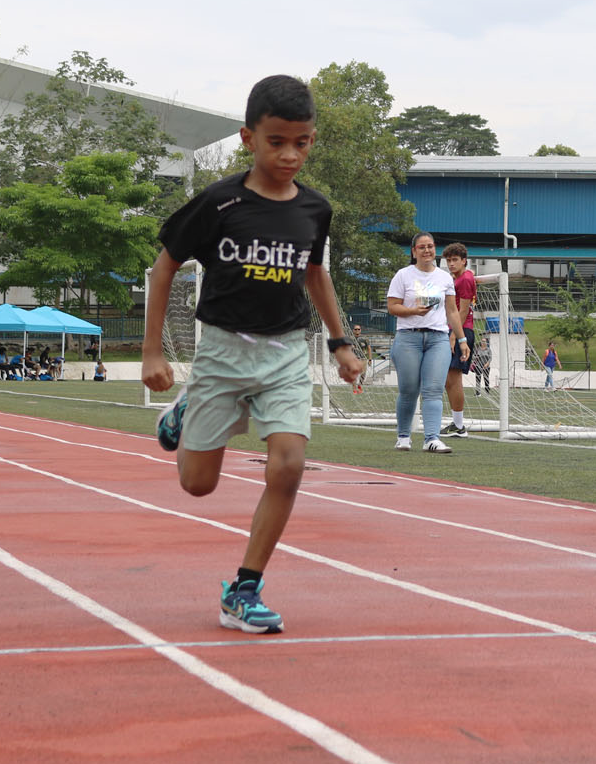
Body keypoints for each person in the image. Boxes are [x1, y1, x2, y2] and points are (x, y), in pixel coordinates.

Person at [141, 75, 363, 635]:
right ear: (248, 138)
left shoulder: (315, 209)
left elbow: (315, 275)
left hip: (286, 351)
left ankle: (244, 587)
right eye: (277, 142)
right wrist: (152, 352)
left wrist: (340, 344)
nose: (290, 155)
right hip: (221, 351)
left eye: (303, 142)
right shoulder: (220, 201)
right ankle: (189, 410)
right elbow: (164, 266)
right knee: (197, 485)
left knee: (288, 464)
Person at [387, 232, 468, 452]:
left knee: (433, 389)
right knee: (409, 389)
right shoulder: (403, 275)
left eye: (430, 246)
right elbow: (392, 306)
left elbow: (452, 311)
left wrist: (461, 339)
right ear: (414, 251)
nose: (427, 251)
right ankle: (403, 436)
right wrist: (413, 311)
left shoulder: (444, 278)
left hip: (438, 338)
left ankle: (431, 438)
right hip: (408, 337)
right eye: (421, 247)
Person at [440, 242, 477, 438]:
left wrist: (455, 336)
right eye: (449, 260)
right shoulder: (458, 278)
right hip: (456, 331)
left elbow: (462, 311)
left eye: (455, 260)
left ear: (464, 261)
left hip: (461, 332)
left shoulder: (464, 279)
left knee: (453, 380)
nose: (451, 264)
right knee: (449, 380)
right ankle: (457, 423)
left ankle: (459, 425)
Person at [350, 323, 372, 394]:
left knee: (363, 374)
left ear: (360, 330)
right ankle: (354, 389)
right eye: (355, 329)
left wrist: (370, 359)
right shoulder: (350, 339)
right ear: (353, 330)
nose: (357, 331)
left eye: (358, 329)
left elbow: (369, 349)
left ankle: (359, 386)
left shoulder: (365, 339)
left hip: (363, 359)